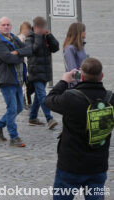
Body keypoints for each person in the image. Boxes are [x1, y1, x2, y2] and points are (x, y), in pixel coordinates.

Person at [44, 58, 114, 200]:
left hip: (71, 164)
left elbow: (48, 100)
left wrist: (64, 81)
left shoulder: (70, 98)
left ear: (81, 77)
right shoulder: (110, 99)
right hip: (98, 164)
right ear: (102, 76)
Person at [0, 17, 31, 147]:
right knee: (12, 109)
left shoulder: (14, 38)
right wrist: (20, 56)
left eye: (8, 25)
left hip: (18, 80)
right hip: (7, 80)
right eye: (3, 25)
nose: (6, 27)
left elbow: (29, 50)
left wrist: (18, 52)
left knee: (19, 107)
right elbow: (8, 58)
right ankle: (14, 137)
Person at [25, 16, 59, 129]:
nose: (42, 29)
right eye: (40, 28)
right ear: (34, 27)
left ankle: (33, 118)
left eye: (43, 27)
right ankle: (49, 118)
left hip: (45, 71)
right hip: (35, 72)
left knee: (38, 96)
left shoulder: (46, 36)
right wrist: (38, 36)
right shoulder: (29, 37)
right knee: (42, 95)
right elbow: (33, 50)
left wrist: (49, 35)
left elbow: (55, 47)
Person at [17, 21, 33, 110]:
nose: (26, 31)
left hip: (28, 65)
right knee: (24, 83)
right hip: (22, 65)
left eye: (28, 29)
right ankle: (26, 101)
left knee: (28, 84)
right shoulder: (20, 38)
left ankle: (27, 100)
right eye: (24, 29)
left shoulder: (30, 39)